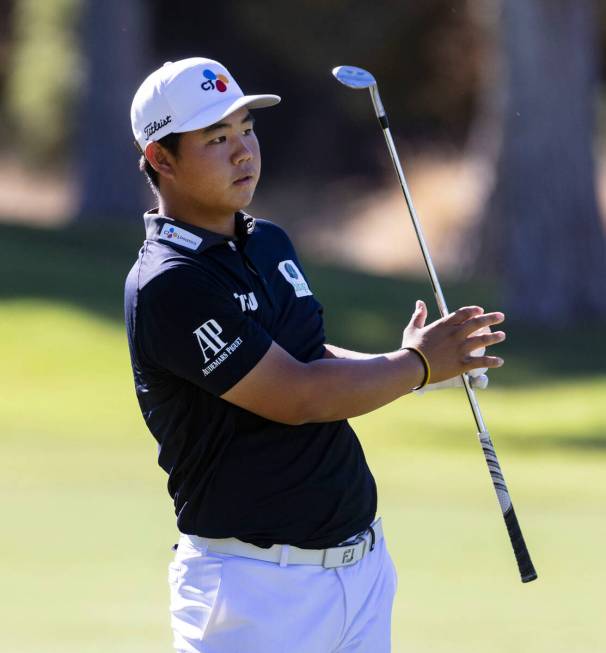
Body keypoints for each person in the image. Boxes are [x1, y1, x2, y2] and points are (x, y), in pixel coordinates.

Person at [124, 57, 505, 653]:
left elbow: (306, 357)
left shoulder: (267, 240)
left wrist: (414, 367)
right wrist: (418, 365)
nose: (243, 151)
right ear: (161, 160)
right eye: (217, 139)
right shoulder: (170, 285)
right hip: (255, 594)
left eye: (247, 129)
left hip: (360, 575)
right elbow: (295, 396)